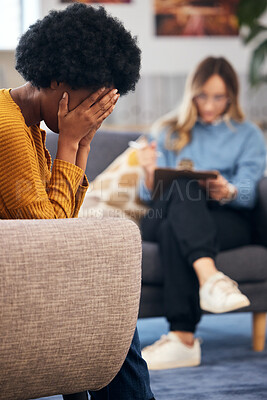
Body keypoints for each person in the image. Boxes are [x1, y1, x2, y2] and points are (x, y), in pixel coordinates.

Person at [0, 4, 155, 400]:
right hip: (14, 281)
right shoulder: (8, 130)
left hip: (21, 269)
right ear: (56, 79)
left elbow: (62, 222)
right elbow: (48, 236)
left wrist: (81, 143)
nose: (92, 115)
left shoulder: (26, 123)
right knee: (106, 285)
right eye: (91, 103)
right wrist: (69, 142)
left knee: (102, 280)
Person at [138, 56, 266, 370]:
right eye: (202, 96)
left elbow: (249, 191)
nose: (209, 105)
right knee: (185, 187)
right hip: (165, 213)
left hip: (224, 218)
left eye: (218, 97)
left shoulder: (248, 134)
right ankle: (210, 280)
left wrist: (231, 190)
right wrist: (148, 172)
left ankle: (182, 339)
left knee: (176, 227)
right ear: (191, 94)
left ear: (232, 97)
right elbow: (147, 195)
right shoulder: (168, 130)